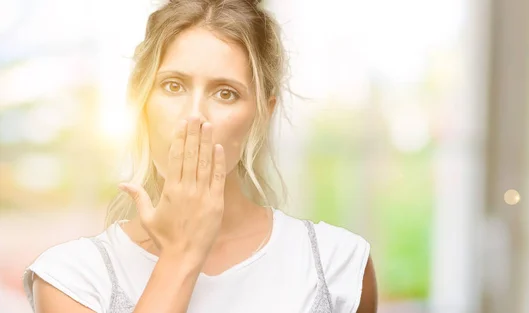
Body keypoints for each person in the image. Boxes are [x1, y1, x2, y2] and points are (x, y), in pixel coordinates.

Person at [22, 0, 378, 312]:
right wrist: (181, 255)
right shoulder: (70, 279)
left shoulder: (337, 266)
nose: (194, 116)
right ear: (140, 100)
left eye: (225, 93)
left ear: (263, 113)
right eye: (173, 86)